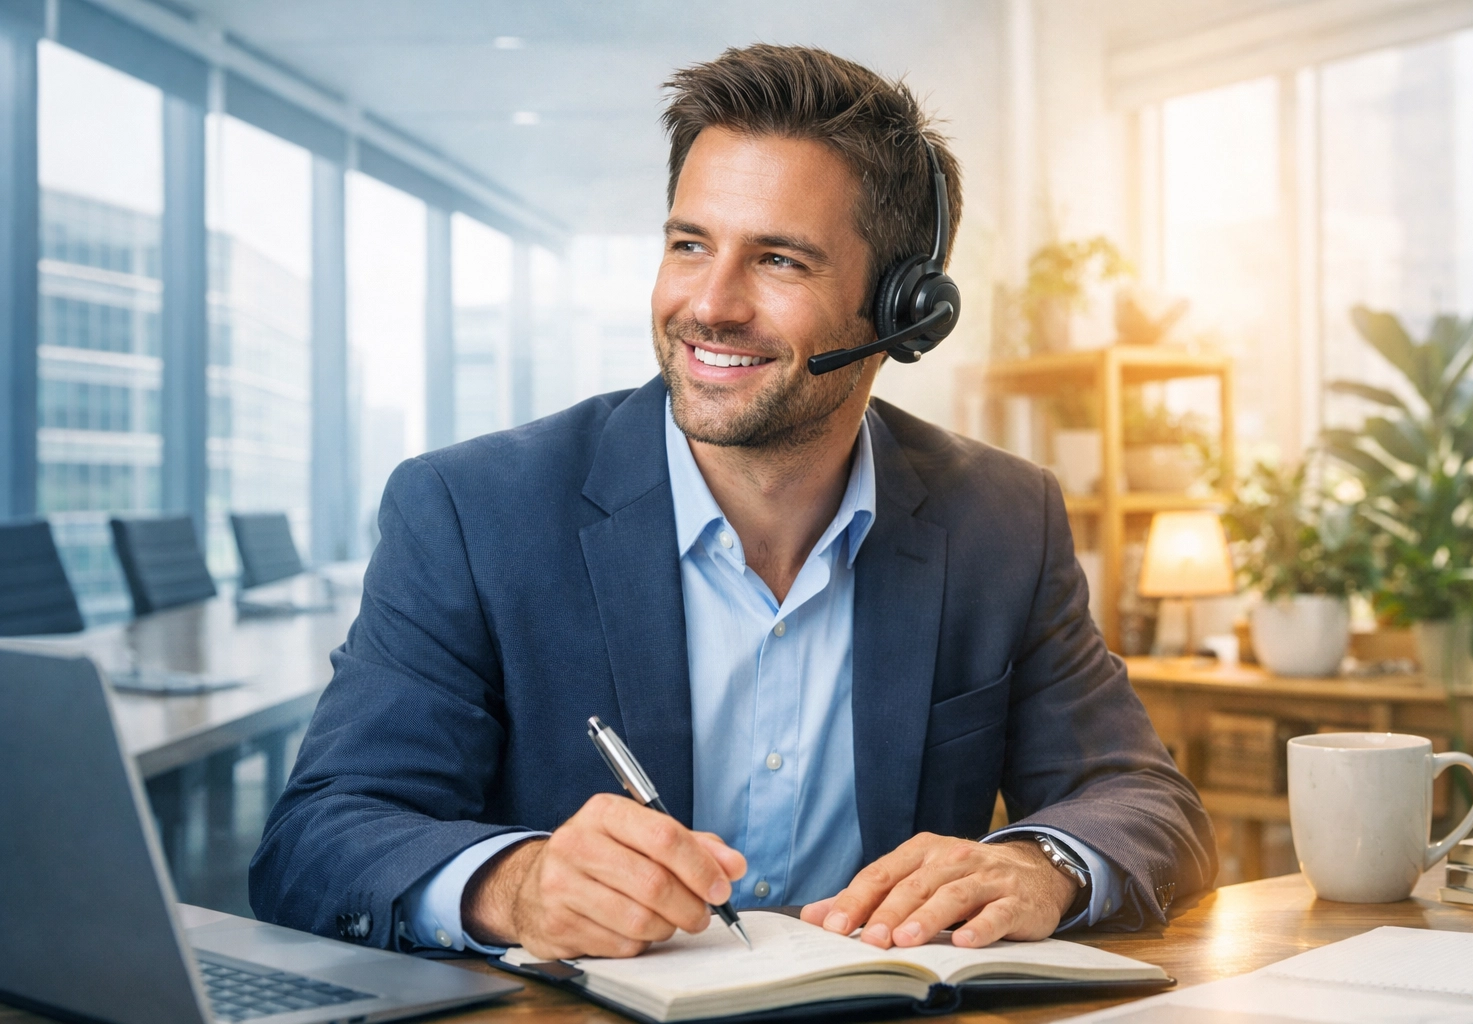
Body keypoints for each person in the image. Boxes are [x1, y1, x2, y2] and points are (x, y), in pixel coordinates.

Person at [251, 44, 1216, 962]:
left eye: (779, 260)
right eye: (689, 244)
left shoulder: (1001, 520)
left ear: (904, 312)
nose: (710, 304)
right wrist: (516, 885)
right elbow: (318, 836)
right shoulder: (472, 511)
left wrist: (1040, 865)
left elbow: (1142, 798)